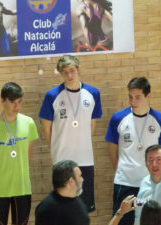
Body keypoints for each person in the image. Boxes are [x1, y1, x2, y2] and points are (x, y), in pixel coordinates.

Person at [105, 77, 161, 225]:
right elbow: (112, 151)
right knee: (122, 221)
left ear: (148, 96)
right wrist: (123, 170)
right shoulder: (118, 118)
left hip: (151, 184)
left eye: (138, 97)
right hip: (125, 183)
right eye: (130, 97)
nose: (133, 101)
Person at [39, 55, 102, 212]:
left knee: (84, 209)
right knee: (62, 208)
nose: (69, 75)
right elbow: (46, 128)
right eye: (65, 72)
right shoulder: (52, 95)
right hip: (62, 160)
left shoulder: (93, 93)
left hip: (85, 159)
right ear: (61, 73)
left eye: (72, 71)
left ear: (78, 69)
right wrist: (56, 148)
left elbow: (92, 126)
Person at [0, 82, 38, 225]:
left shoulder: (29, 123)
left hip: (22, 187)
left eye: (19, 102)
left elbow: (27, 155)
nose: (16, 106)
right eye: (12, 102)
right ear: (2, 101)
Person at [35, 160, 90, 225]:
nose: (82, 179)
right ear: (71, 181)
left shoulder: (76, 199)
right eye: (80, 176)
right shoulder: (47, 210)